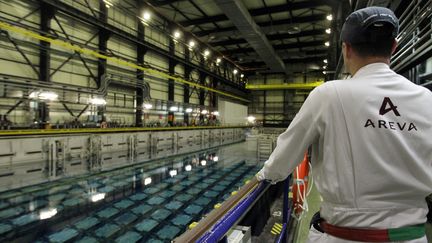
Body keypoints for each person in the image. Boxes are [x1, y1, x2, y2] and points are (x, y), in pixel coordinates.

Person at [256, 6, 432, 243]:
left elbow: (282, 161)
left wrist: (265, 175)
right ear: (393, 47)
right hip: (412, 236)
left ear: (346, 49)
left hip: (343, 235)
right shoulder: (426, 99)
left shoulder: (329, 94)